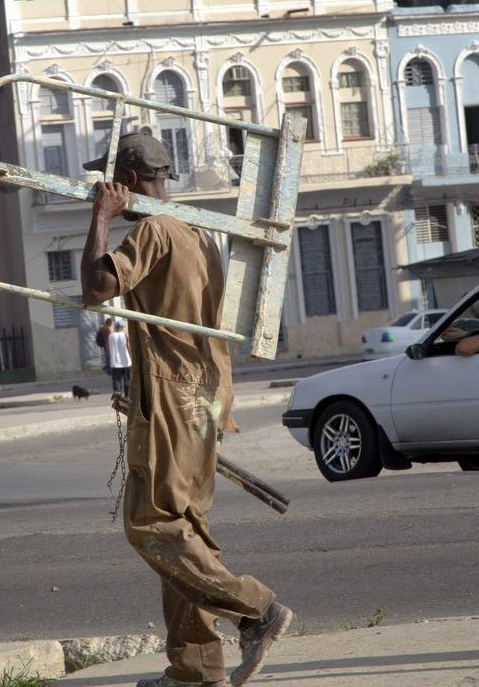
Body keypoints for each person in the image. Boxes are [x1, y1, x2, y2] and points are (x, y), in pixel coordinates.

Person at [80, 133, 292, 687]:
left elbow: (96, 286)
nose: (97, 191)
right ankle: (196, 671)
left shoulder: (152, 229)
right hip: (204, 392)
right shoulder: (195, 230)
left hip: (174, 394)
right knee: (186, 530)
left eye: (104, 184)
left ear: (124, 182)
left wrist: (102, 219)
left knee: (150, 526)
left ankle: (257, 608)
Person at [107, 319, 131, 398]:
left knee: (117, 380)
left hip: (115, 362)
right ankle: (127, 395)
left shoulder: (111, 336)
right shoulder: (125, 335)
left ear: (116, 327)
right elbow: (128, 347)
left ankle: (118, 394)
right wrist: (131, 357)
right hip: (126, 362)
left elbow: (108, 348)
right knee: (127, 379)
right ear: (122, 327)